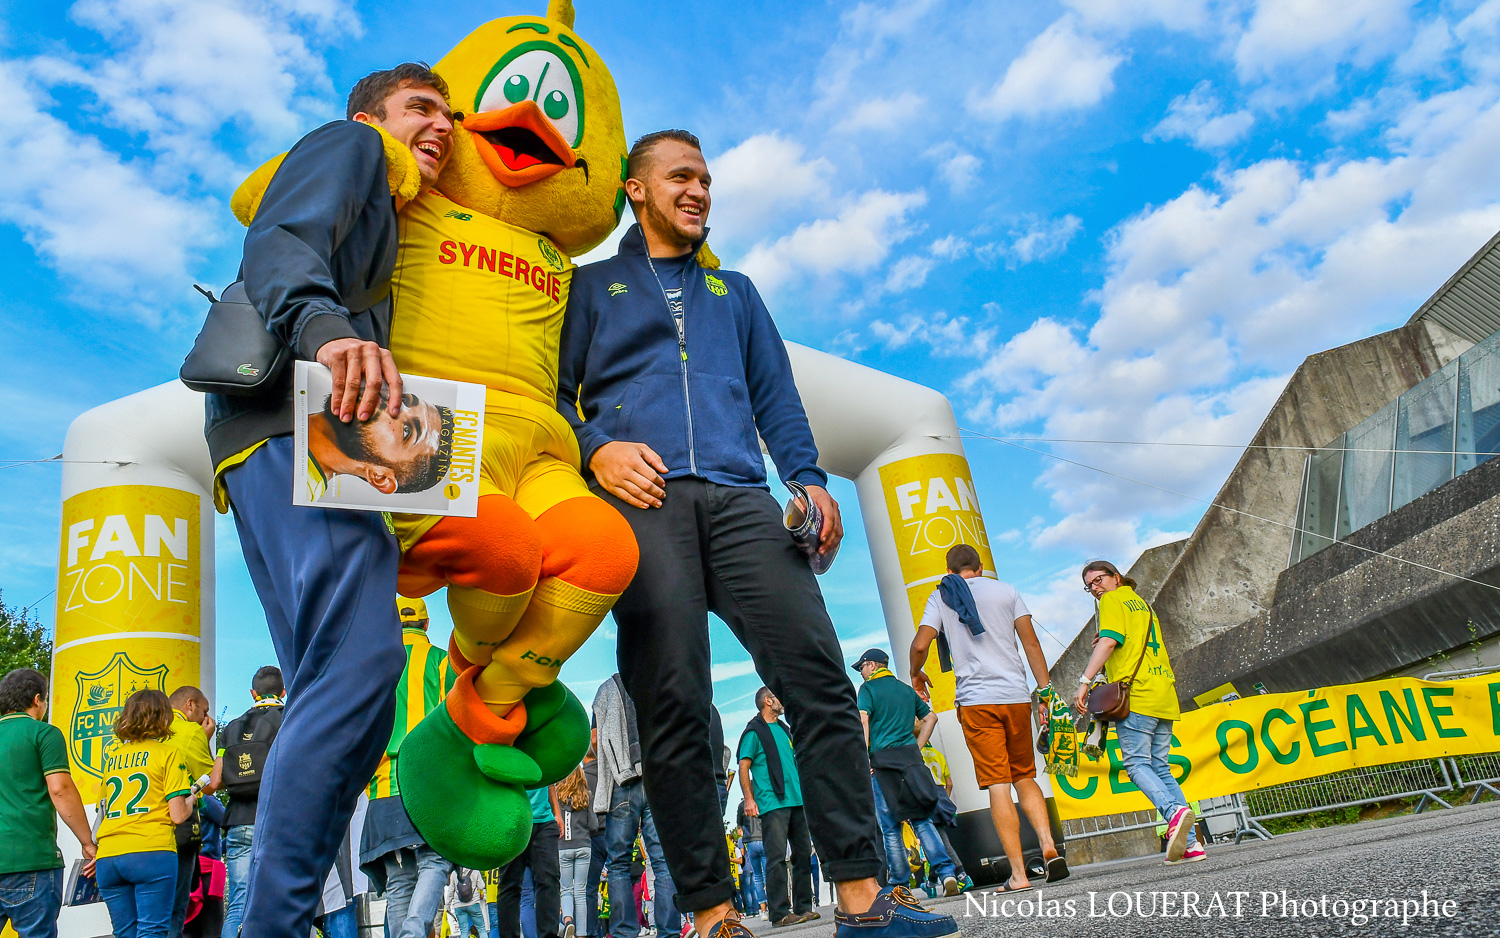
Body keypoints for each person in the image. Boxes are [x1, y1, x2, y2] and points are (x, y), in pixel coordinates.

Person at [558, 128, 955, 938]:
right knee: (673, 707)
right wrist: (596, 449)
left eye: (705, 179)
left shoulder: (735, 292)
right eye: (679, 177)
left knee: (819, 684)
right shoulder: (590, 290)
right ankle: (710, 914)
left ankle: (862, 900)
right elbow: (555, 398)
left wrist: (807, 478)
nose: (698, 190)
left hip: (743, 500)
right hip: (645, 500)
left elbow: (776, 397)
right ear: (636, 189)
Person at [206, 61, 454, 938]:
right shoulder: (353, 146)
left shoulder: (393, 201)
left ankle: (274, 917)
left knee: (341, 690)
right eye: (421, 108)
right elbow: (277, 241)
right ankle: (269, 925)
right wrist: (325, 328)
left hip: (271, 439)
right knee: (358, 672)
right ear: (370, 115)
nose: (443, 127)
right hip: (294, 423)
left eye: (450, 117)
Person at [908, 544, 1064, 891]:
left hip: (978, 703)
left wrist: (915, 672)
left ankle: (1019, 875)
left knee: (998, 784)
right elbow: (1032, 644)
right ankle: (1048, 847)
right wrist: (1045, 690)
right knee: (1026, 777)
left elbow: (920, 645)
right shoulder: (1006, 590)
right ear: (979, 568)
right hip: (1016, 697)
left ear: (949, 571)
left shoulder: (941, 597)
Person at [1072, 560, 1204, 864]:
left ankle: (1174, 814)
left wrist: (1084, 682)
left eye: (1098, 580)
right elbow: (1126, 643)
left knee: (1135, 764)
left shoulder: (1112, 600)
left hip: (1137, 694)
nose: (1095, 588)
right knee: (1160, 767)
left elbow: (1108, 642)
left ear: (1116, 577)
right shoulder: (1142, 604)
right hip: (1163, 693)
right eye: (1089, 585)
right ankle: (1191, 844)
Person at [359, 597, 457, 938]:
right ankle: (414, 931)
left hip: (382, 786)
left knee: (399, 878)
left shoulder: (376, 666)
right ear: (426, 625)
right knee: (436, 863)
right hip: (429, 783)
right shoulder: (443, 664)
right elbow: (459, 725)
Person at [849, 651, 958, 897]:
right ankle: (947, 872)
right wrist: (916, 746)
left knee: (890, 827)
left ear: (872, 665)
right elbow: (931, 717)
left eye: (862, 668)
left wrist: (864, 756)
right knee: (922, 820)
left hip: (882, 764)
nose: (861, 673)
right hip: (910, 762)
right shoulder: (905, 689)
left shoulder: (868, 690)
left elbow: (863, 721)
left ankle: (899, 883)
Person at [0, 669, 95, 938]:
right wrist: (87, 843)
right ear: (37, 699)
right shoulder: (44, 734)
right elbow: (61, 790)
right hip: (32, 860)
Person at [94, 689, 196, 938]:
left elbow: (103, 807)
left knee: (124, 933)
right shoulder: (168, 753)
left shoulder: (113, 758)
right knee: (152, 931)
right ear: (164, 717)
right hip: (152, 850)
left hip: (109, 855)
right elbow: (178, 815)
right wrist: (191, 799)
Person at [591, 676, 678, 938]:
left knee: (618, 862)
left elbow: (595, 739)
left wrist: (611, 763)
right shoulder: (655, 680)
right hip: (656, 777)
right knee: (662, 861)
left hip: (622, 782)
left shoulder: (606, 689)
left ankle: (624, 932)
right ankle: (670, 931)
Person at [210, 665, 284, 938]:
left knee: (239, 900)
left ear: (253, 693)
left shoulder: (230, 729)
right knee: (279, 898)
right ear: (283, 691)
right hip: (276, 820)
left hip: (238, 821)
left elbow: (215, 781)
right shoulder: (287, 718)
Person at [736, 689, 813, 928]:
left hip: (797, 800)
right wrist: (749, 799)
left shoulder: (783, 729)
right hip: (773, 803)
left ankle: (803, 908)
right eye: (777, 696)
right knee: (776, 858)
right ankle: (779, 913)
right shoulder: (753, 732)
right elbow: (743, 766)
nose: (782, 700)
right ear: (768, 701)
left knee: (802, 855)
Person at [305, 389, 454, 499]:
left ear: (380, 477)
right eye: (405, 400)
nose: (398, 405)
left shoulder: (291, 495)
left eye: (407, 431)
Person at [167, 686, 216, 938]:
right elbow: (212, 784)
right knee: (174, 912)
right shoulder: (191, 731)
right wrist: (207, 741)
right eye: (204, 710)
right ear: (190, 705)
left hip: (137, 835)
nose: (206, 717)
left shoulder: (146, 732)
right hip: (178, 832)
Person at [497, 788, 563, 938]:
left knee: (549, 881)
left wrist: (556, 812)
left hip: (544, 820)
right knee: (509, 884)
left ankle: (549, 935)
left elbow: (549, 775)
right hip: (511, 819)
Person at [557, 766, 598, 938]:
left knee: (566, 889)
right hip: (583, 846)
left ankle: (568, 921)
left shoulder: (558, 798)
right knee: (580, 892)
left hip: (563, 848)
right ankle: (581, 934)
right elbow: (594, 825)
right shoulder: (586, 796)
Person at [733, 805, 764, 919]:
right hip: (761, 840)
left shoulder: (741, 840)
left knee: (749, 888)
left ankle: (751, 910)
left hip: (746, 865)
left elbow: (742, 854)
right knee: (758, 883)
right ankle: (760, 907)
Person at [447, 867, 491, 938]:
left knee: (464, 931)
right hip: (473, 904)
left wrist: (447, 905)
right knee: (481, 929)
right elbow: (481, 886)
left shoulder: (455, 873)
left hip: (458, 905)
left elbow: (450, 891)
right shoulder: (475, 871)